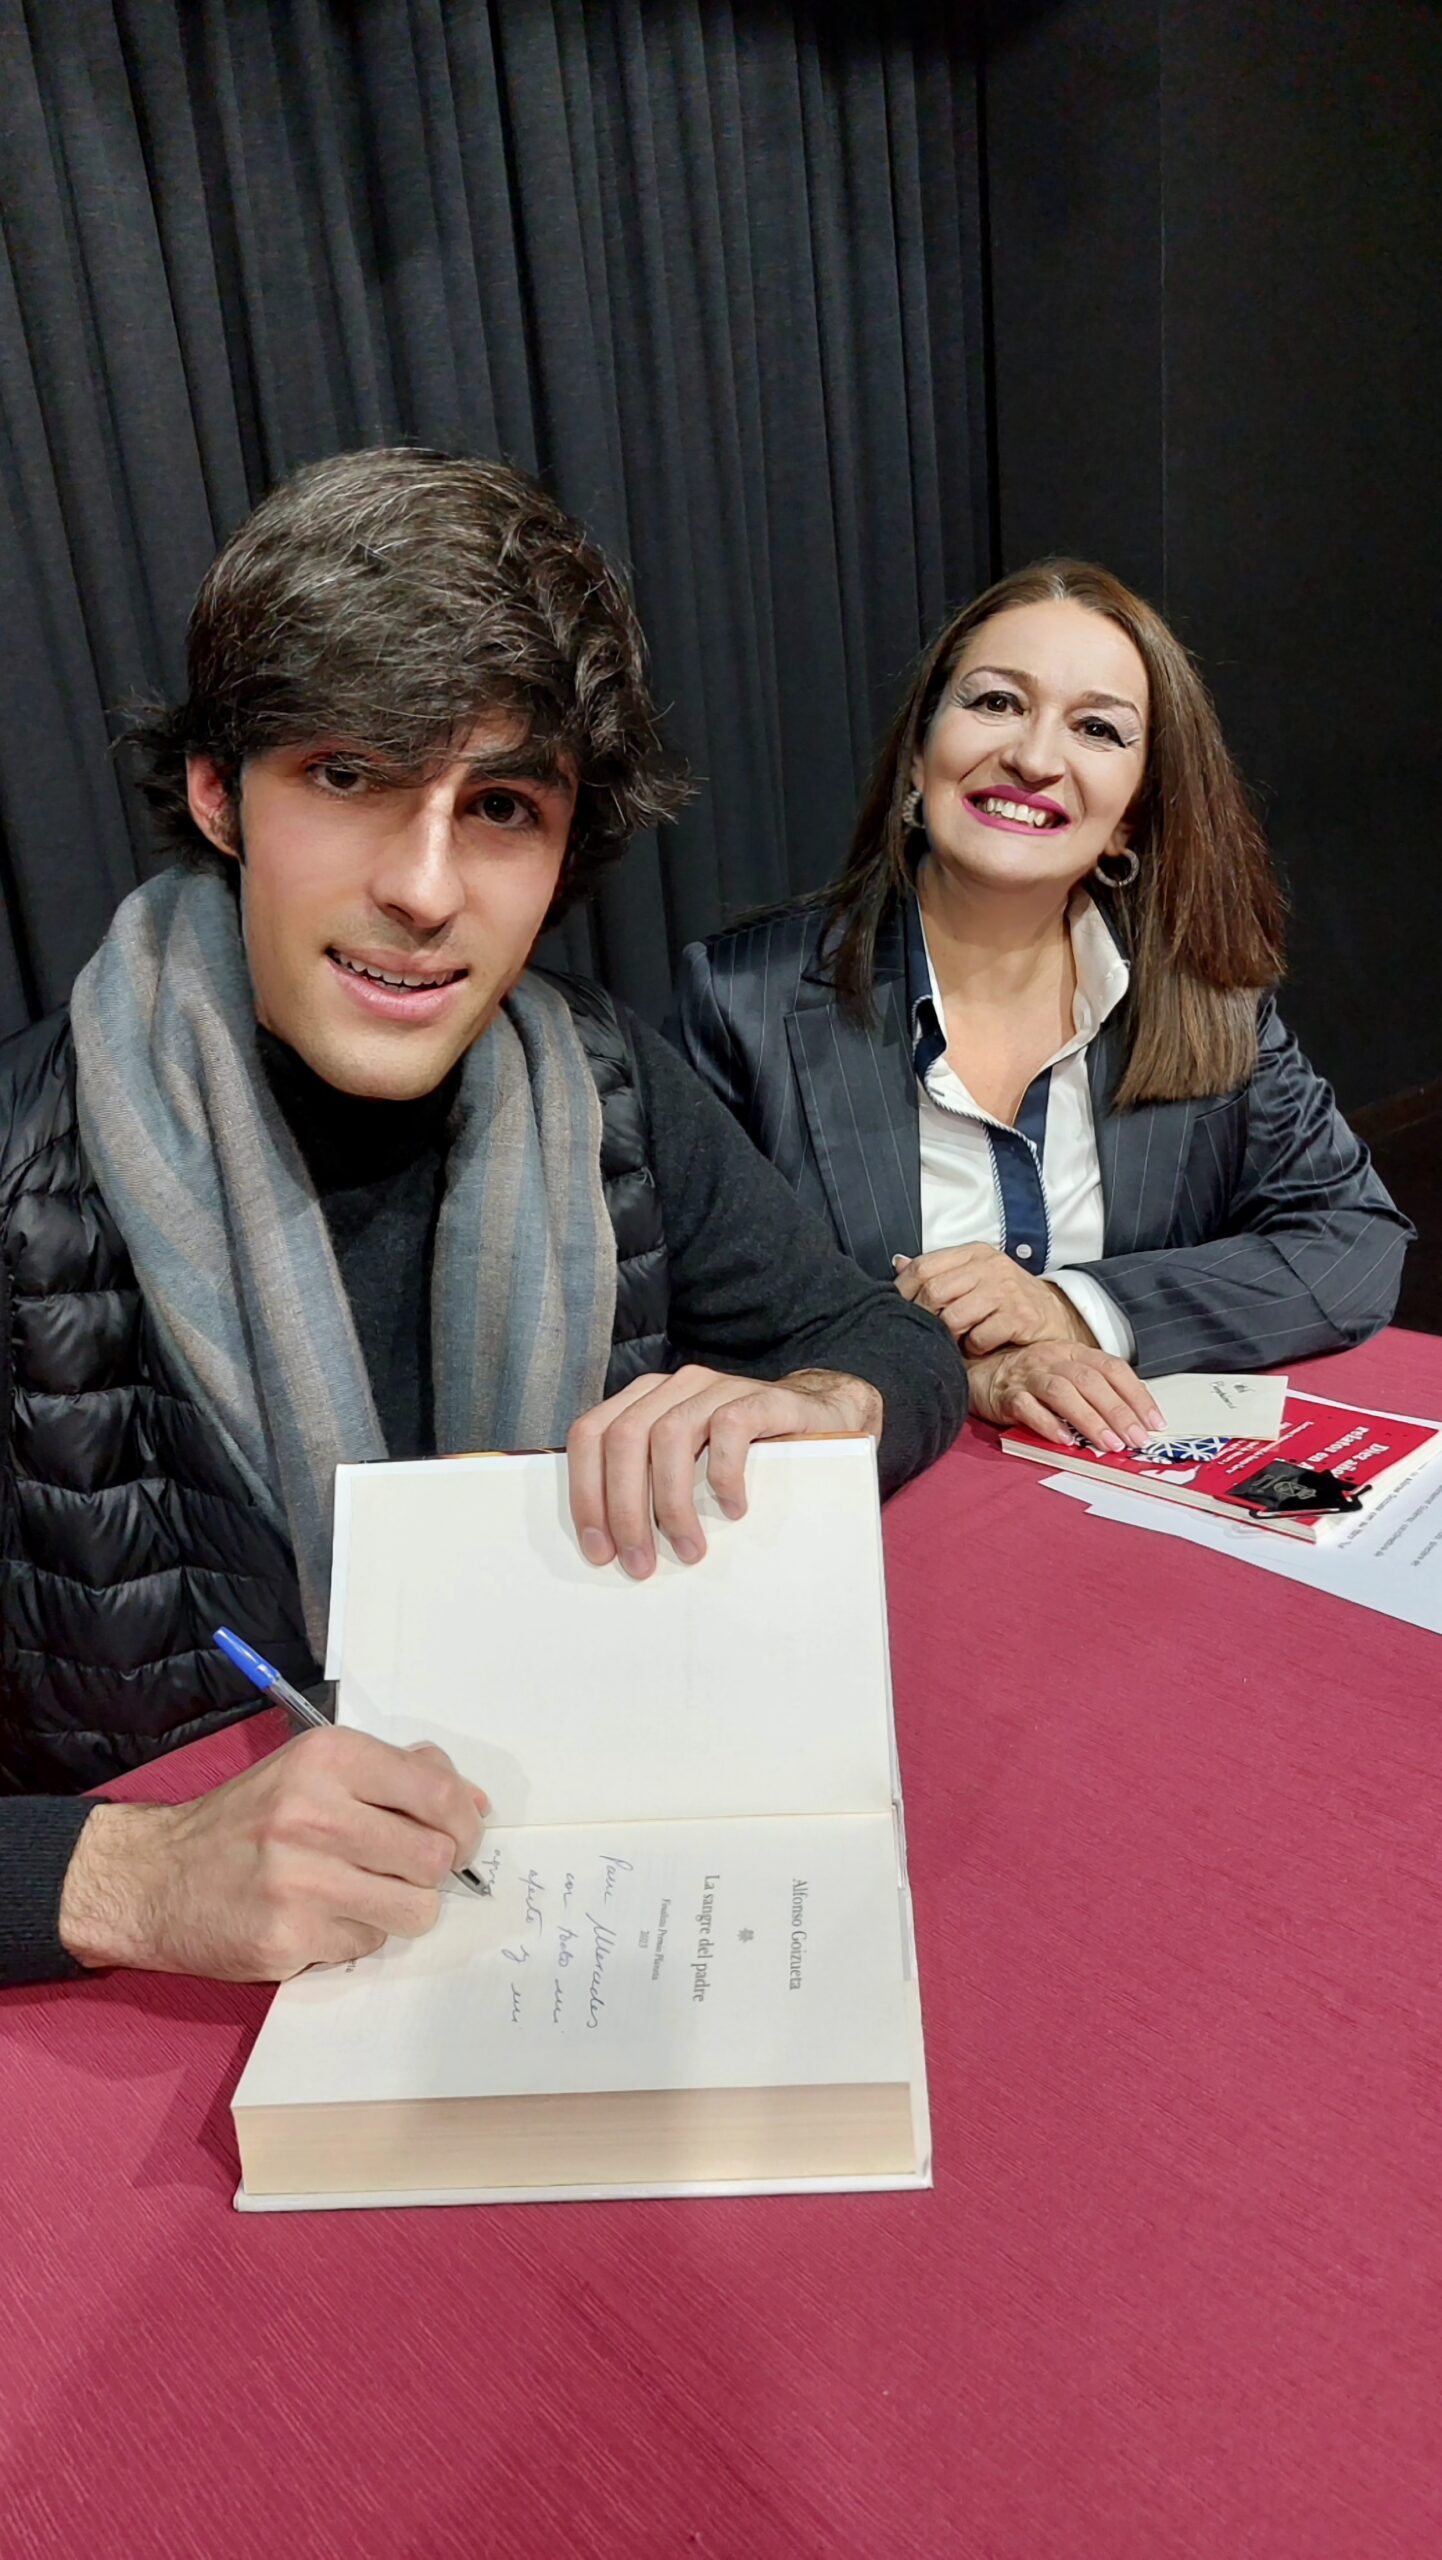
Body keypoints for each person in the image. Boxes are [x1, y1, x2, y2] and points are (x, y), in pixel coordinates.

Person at [0, 449, 965, 1992]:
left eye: (500, 805)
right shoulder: (19, 1168)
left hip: (552, 1946)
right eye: (345, 775)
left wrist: (808, 1407)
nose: (427, 886)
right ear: (215, 792)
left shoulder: (610, 1093)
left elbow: (885, 1347)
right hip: (145, 2055)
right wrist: (126, 1871)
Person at [670, 558, 1408, 1456]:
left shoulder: (1210, 1005)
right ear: (917, 751)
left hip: (1131, 1509)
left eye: (1097, 728)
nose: (1033, 756)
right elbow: (697, 1317)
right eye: (993, 703)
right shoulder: (742, 1002)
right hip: (890, 1509)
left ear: (1133, 814)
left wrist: (1073, 1307)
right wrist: (952, 1368)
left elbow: (1356, 1241)